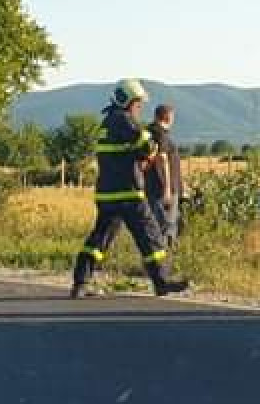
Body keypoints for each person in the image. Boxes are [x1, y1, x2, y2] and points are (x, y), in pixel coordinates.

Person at [70, 79, 189, 299]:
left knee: (99, 239)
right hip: (129, 192)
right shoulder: (126, 120)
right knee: (151, 235)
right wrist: (148, 152)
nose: (139, 107)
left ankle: (80, 283)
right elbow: (146, 146)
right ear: (127, 101)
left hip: (106, 193)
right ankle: (162, 281)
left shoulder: (106, 123)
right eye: (137, 103)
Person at [143, 103, 183, 247]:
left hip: (150, 186)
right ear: (168, 117)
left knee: (156, 224)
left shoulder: (147, 132)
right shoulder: (161, 134)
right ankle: (163, 261)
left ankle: (155, 259)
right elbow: (163, 159)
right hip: (163, 189)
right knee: (167, 225)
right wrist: (167, 188)